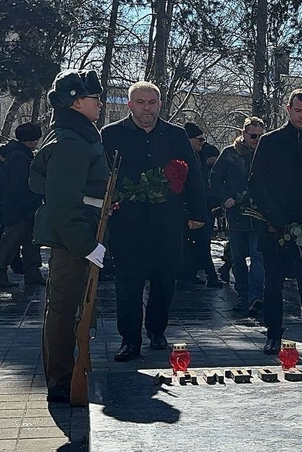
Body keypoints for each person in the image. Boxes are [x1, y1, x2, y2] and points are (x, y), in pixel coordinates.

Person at [102, 81, 207, 362]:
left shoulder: (175, 135)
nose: (146, 108)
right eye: (140, 102)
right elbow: (100, 175)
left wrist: (198, 213)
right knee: (128, 285)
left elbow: (194, 176)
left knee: (164, 281)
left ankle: (157, 330)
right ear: (130, 105)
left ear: (159, 104)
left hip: (167, 222)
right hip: (128, 223)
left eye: (151, 102)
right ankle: (129, 340)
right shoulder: (111, 134)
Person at [30, 69, 110, 402]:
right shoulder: (70, 142)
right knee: (63, 310)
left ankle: (64, 375)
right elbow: (63, 202)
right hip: (72, 238)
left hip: (77, 232)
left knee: (68, 306)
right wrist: (87, 245)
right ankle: (61, 380)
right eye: (94, 99)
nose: (99, 104)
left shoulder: (75, 136)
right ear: (77, 102)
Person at [248, 89, 302, 362]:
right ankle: (274, 335)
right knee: (272, 284)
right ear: (288, 110)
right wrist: (277, 217)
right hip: (275, 225)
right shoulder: (270, 141)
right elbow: (256, 183)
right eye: (298, 111)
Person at [210, 116, 266, 314]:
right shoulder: (230, 153)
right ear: (244, 133)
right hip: (236, 214)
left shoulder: (265, 153)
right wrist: (225, 198)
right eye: (253, 135)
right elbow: (215, 179)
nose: (256, 140)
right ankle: (243, 294)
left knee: (258, 256)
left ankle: (256, 295)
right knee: (238, 257)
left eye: (260, 136)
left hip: (259, 215)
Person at [0, 123, 45, 288]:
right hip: (20, 208)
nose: (36, 142)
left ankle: (33, 273)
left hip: (19, 206)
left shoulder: (15, 153)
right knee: (10, 242)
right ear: (29, 140)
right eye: (35, 139)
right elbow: (22, 185)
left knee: (30, 240)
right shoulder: (20, 157)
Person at [179, 121, 222, 288]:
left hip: (201, 205)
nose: (203, 143)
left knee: (199, 243)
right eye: (200, 140)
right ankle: (208, 275)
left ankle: (191, 273)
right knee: (199, 243)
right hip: (190, 207)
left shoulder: (198, 155)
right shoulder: (186, 156)